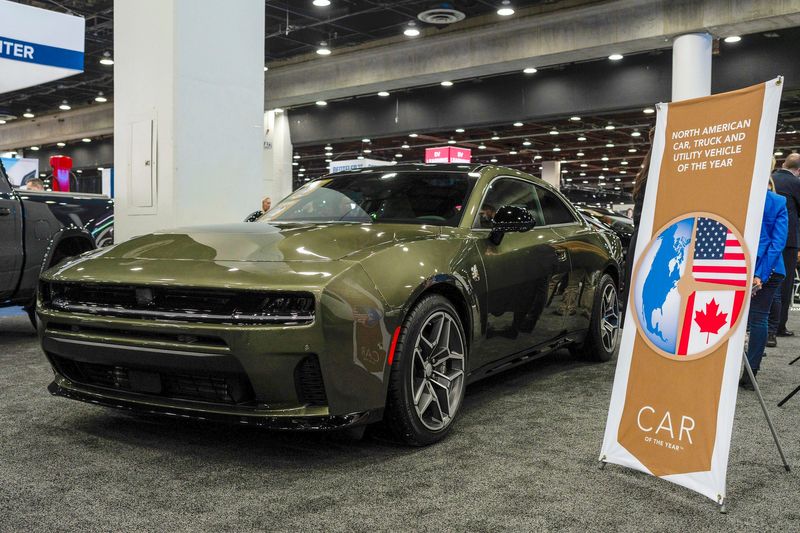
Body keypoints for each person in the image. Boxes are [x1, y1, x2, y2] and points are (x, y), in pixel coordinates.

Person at [741, 179, 788, 390]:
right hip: (768, 267)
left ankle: (748, 373)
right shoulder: (778, 202)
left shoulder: (742, 196)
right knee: (759, 319)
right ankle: (750, 374)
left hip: (751, 266)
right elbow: (778, 242)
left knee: (755, 319)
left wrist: (759, 274)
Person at [769, 153, 800, 337]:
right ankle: (779, 326)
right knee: (784, 282)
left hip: (766, 238)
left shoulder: (771, 179)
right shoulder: (796, 184)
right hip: (788, 240)